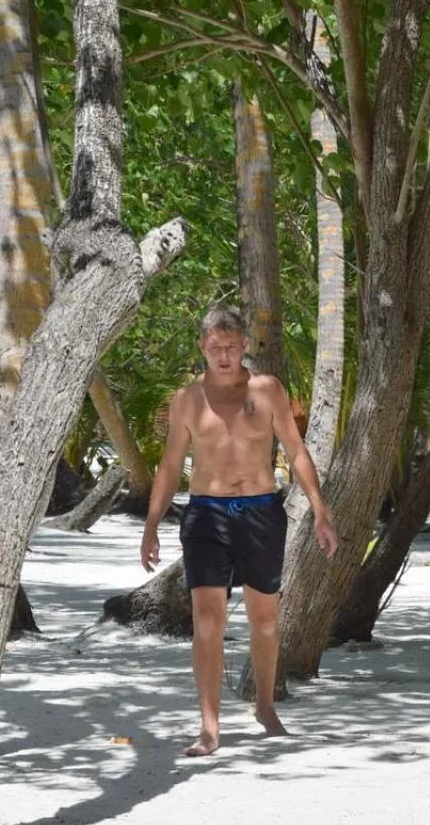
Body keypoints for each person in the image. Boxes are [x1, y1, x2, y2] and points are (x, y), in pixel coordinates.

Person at [141, 305, 339, 757]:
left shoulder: (266, 390)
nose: (224, 356)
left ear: (245, 345)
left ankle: (265, 707)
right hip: (207, 513)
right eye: (215, 348)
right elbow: (171, 463)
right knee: (207, 622)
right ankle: (209, 727)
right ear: (202, 348)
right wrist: (151, 524)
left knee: (265, 621)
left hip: (261, 510)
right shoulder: (188, 399)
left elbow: (297, 451)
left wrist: (321, 512)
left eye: (231, 347)